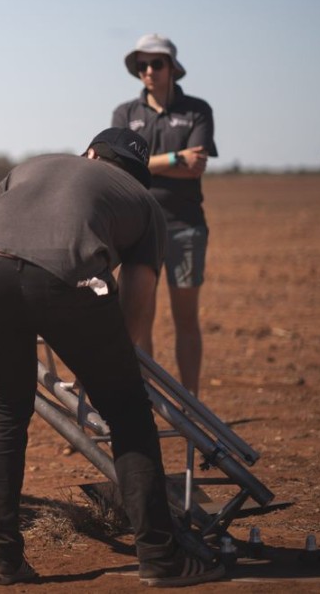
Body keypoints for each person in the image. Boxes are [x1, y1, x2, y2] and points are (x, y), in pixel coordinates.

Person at [0, 129, 224, 588]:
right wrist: (111, 367)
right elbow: (140, 296)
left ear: (89, 153)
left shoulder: (31, 167)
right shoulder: (144, 204)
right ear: (136, 176)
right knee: (129, 415)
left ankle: (2, 559)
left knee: (6, 410)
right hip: (68, 277)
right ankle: (160, 557)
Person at [112, 34, 217, 395]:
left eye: (156, 63)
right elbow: (122, 168)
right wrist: (175, 159)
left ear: (173, 68)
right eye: (142, 65)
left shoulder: (197, 110)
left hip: (185, 227)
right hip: (138, 230)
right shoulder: (125, 113)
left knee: (186, 319)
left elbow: (197, 166)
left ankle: (193, 406)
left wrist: (147, 164)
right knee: (141, 321)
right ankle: (150, 405)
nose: (149, 71)